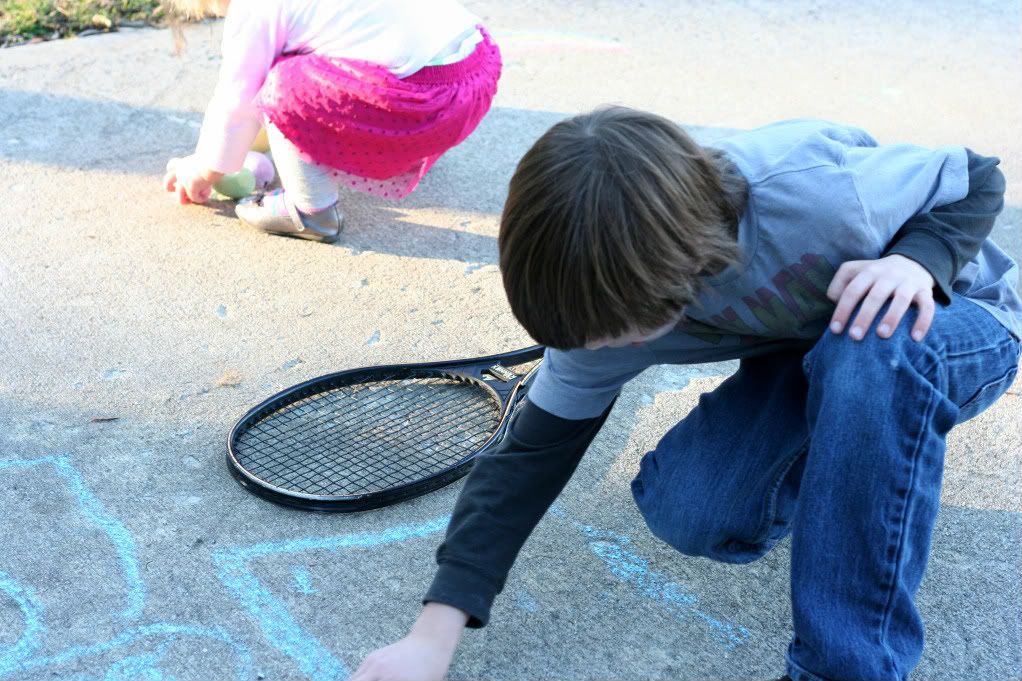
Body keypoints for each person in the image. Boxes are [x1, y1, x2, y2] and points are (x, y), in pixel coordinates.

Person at [352, 107, 1020, 681]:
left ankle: (842, 664)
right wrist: (429, 636)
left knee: (870, 353)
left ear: (682, 276)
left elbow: (976, 176)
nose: (600, 350)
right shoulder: (602, 310)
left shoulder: (818, 196)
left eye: (615, 336)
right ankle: (854, 459)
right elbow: (524, 465)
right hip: (815, 350)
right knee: (695, 509)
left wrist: (914, 262)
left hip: (954, 321)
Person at [162, 0, 501, 243]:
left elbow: (238, 102)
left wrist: (206, 169)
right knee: (327, 55)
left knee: (282, 83)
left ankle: (311, 210)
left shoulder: (255, 8)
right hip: (474, 73)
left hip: (420, 105)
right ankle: (411, 152)